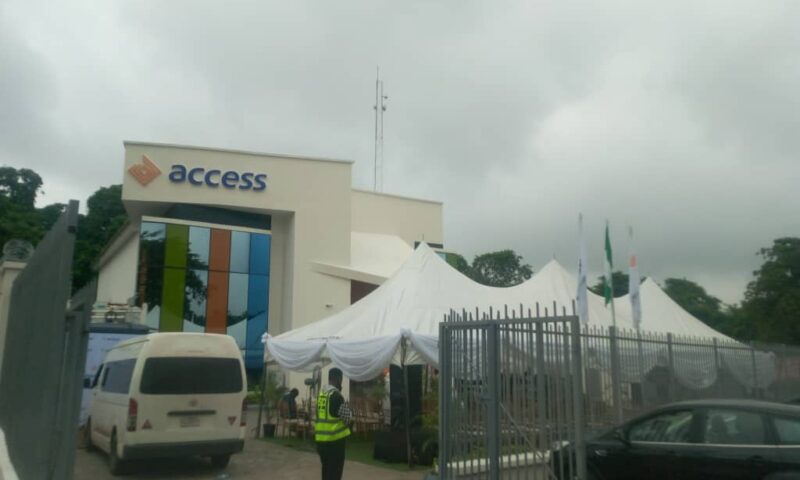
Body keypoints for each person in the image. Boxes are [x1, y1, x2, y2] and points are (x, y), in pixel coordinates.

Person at [315, 368, 352, 480]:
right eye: (341, 380)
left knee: (326, 472)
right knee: (335, 474)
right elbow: (348, 418)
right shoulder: (336, 396)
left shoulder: (321, 395)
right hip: (335, 444)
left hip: (321, 442)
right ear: (338, 379)